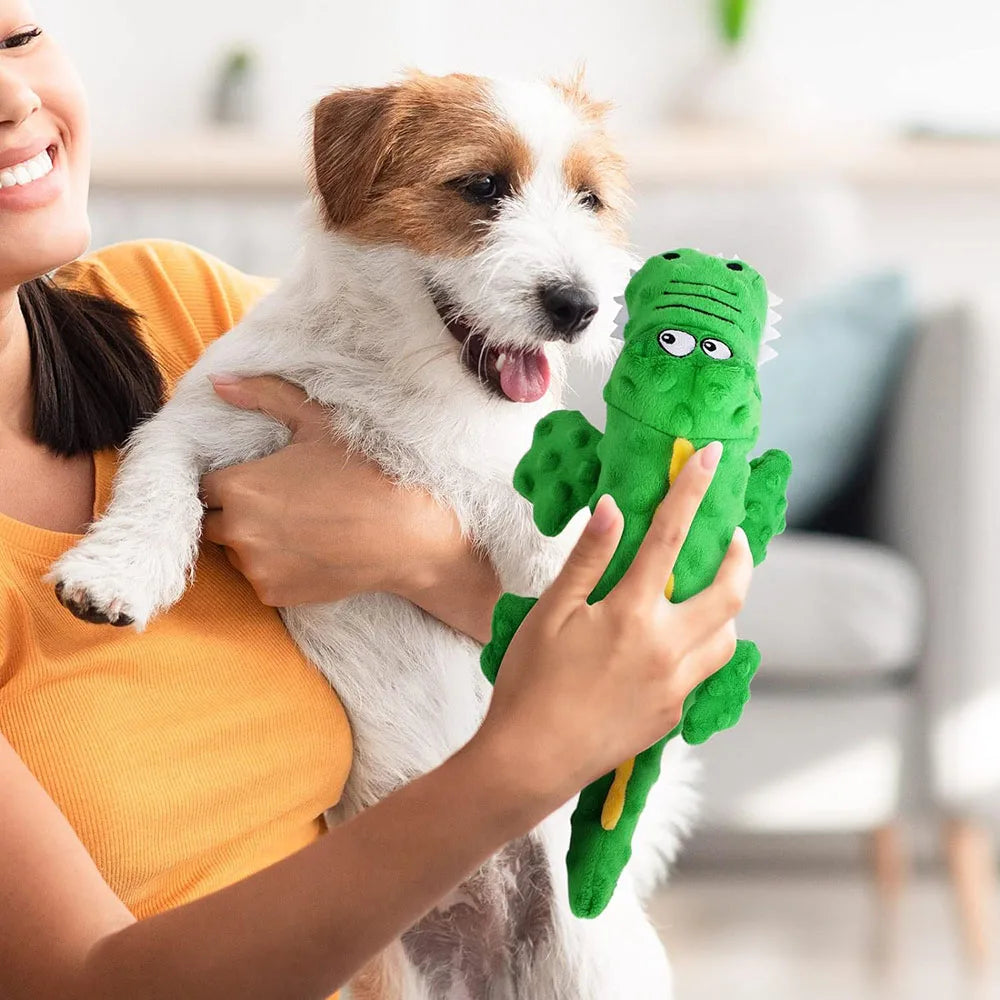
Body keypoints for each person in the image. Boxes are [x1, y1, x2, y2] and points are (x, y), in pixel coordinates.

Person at [0, 4, 753, 997]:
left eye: (17, 39)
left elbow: (630, 659)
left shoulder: (181, 309)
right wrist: (508, 771)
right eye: (480, 189)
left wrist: (417, 553)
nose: (15, 96)